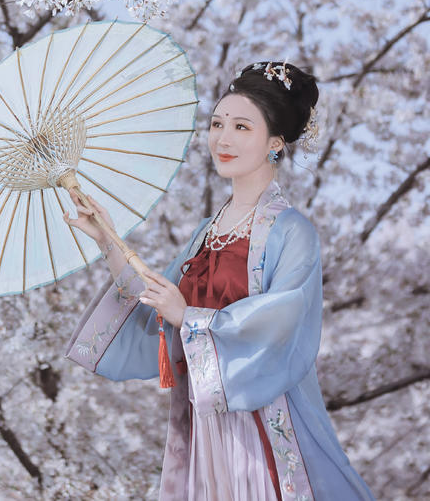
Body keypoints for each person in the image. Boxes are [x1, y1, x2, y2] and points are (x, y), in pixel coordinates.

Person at [62, 62, 374, 500]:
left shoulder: (291, 231)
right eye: (217, 123)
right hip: (201, 423)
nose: (222, 139)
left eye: (242, 127)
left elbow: (281, 323)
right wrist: (108, 238)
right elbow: (157, 302)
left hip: (262, 421)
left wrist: (188, 317)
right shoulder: (207, 231)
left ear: (276, 142)